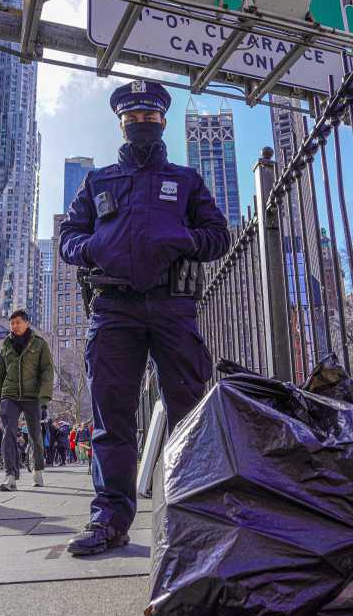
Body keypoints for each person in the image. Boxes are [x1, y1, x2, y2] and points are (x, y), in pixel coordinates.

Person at [58, 80, 229, 556]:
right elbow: (68, 237)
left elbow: (218, 235)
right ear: (121, 123)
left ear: (163, 122)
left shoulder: (187, 180)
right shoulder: (98, 182)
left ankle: (195, 515)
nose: (141, 125)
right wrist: (93, 246)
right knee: (111, 418)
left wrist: (179, 238)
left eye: (149, 118)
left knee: (189, 412)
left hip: (173, 305)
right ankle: (110, 520)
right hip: (113, 308)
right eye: (133, 119)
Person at [0, 308, 52, 491]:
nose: (14, 326)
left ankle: (37, 469)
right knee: (8, 433)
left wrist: (43, 398)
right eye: (12, 323)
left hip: (32, 396)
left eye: (18, 322)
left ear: (27, 323)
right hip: (9, 394)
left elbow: (47, 371)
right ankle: (10, 476)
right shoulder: (5, 345)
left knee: (35, 434)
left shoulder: (40, 344)